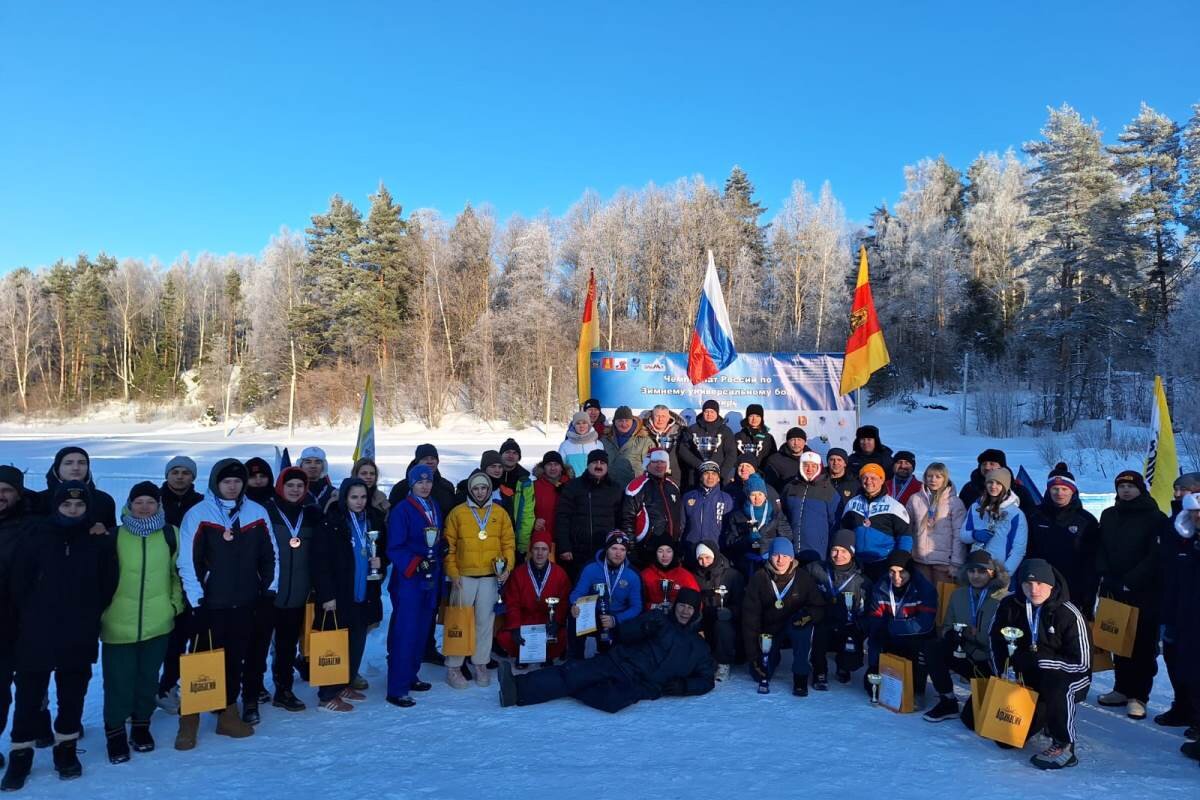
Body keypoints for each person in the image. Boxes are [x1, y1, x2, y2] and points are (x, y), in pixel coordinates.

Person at [2, 481, 117, 789]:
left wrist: (88, 613)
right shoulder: (35, 538)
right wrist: (32, 615)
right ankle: (20, 756)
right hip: (35, 632)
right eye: (67, 505)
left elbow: (107, 585)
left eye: (79, 506)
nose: (73, 510)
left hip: (78, 632)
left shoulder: (97, 543)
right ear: (56, 506)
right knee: (29, 697)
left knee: (72, 695)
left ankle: (65, 750)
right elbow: (18, 584)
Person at [174, 459, 274, 749]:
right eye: (226, 481)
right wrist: (197, 601)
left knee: (233, 660)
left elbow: (271, 555)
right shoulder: (199, 514)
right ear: (216, 483)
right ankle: (188, 720)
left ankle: (227, 714)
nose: (232, 486)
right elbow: (187, 562)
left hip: (245, 602)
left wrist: (268, 590)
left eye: (237, 481)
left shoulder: (257, 512)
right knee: (200, 662)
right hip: (210, 604)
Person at [498, 587, 714, 712]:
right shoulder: (658, 619)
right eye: (682, 606)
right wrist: (642, 626)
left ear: (696, 612)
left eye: (690, 608)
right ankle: (516, 689)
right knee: (572, 675)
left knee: (611, 702)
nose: (685, 611)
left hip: (643, 685)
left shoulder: (699, 647)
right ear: (675, 605)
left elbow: (707, 680)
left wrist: (685, 685)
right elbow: (622, 633)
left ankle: (576, 681)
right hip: (619, 662)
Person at [100, 482, 184, 764]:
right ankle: (114, 733)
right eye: (139, 502)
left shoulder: (171, 535)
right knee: (118, 682)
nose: (145, 507)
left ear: (159, 505)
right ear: (130, 504)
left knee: (148, 679)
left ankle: (141, 727)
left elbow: (176, 574)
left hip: (158, 622)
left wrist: (174, 606)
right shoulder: (114, 536)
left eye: (151, 502)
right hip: (117, 622)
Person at [989, 559, 1091, 770]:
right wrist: (1004, 671)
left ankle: (1064, 745)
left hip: (1067, 678)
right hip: (1028, 676)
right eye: (1028, 584)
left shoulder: (1069, 614)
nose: (1034, 590)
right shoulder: (1010, 605)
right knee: (1004, 740)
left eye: (1040, 584)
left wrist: (1040, 661)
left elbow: (1082, 665)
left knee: (1057, 686)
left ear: (1052, 585)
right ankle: (1043, 717)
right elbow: (995, 640)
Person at [1094, 470, 1166, 721]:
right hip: (1113, 587)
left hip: (1143, 591)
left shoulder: (1155, 517)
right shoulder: (1109, 514)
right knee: (1118, 638)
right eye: (1121, 486)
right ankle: (1121, 688)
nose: (1126, 490)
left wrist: (1131, 581)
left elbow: (1155, 556)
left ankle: (1139, 696)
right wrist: (1105, 574)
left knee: (1142, 645)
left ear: (1140, 489)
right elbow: (1100, 546)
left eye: (1131, 486)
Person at [311, 478, 385, 712]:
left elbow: (383, 550)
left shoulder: (373, 519)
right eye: (354, 497)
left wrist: (381, 563)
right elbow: (320, 563)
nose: (359, 502)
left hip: (364, 593)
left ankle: (344, 682)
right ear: (344, 498)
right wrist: (327, 595)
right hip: (339, 595)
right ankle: (327, 695)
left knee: (356, 643)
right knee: (335, 645)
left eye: (363, 497)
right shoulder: (331, 522)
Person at [865, 550, 959, 723]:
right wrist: (873, 664)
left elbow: (923, 624)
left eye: (902, 572)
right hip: (891, 638)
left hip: (916, 639)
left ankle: (917, 690)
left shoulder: (924, 589)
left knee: (924, 646)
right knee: (870, 684)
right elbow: (875, 627)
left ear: (911, 571)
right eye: (892, 571)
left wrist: (892, 627)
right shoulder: (881, 587)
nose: (897, 577)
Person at [443, 471, 515, 689]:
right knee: (459, 622)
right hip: (463, 577)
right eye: (476, 488)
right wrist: (453, 572)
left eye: (484, 488)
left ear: (489, 489)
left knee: (485, 622)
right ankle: (454, 666)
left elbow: (508, 543)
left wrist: (507, 567)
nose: (480, 492)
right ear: (470, 490)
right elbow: (449, 547)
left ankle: (480, 663)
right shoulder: (458, 513)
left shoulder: (500, 513)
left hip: (489, 577)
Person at [258, 467, 319, 713]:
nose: (295, 490)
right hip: (269, 591)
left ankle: (283, 689)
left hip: (298, 592)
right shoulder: (267, 511)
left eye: (300, 486)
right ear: (280, 486)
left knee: (286, 644)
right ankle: (253, 689)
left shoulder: (311, 513)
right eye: (290, 485)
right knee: (258, 644)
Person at [384, 464, 445, 708]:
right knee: (406, 632)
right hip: (410, 580)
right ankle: (396, 688)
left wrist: (442, 548)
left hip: (430, 577)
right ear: (411, 484)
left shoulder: (434, 506)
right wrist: (415, 564)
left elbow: (434, 539)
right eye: (419, 482)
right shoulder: (402, 510)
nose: (425, 485)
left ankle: (411, 675)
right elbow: (394, 547)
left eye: (428, 481)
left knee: (422, 630)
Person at [742, 537, 825, 696]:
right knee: (758, 675)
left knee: (804, 632)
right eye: (776, 555)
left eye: (785, 556)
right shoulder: (759, 578)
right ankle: (771, 657)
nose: (780, 560)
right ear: (770, 556)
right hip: (770, 630)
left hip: (795, 625)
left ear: (792, 558)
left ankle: (800, 676)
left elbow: (819, 606)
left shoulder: (803, 577)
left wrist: (808, 616)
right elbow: (749, 619)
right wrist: (753, 656)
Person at [0, 466, 40, 754]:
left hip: (27, 621)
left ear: (18, 492)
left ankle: (22, 747)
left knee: (29, 689)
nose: (0, 496)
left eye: (6, 490)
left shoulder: (34, 526)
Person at [1026, 463, 1099, 620]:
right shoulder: (1035, 516)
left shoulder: (1086, 520)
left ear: (1072, 491)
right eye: (1055, 489)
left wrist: (1088, 596)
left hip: (1074, 586)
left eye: (1064, 489)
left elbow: (1092, 560)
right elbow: (1028, 550)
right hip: (1040, 585)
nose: (1059, 493)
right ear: (1048, 490)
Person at [496, 530, 572, 666]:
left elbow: (563, 602)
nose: (540, 553)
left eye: (544, 549)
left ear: (549, 551)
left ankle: (546, 655)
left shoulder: (560, 574)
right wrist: (515, 627)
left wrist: (557, 622)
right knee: (505, 637)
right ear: (531, 550)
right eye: (536, 548)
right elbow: (512, 603)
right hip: (525, 620)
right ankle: (524, 655)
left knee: (562, 635)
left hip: (547, 620)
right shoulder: (519, 573)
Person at [1160, 477, 1200, 733]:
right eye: (1175, 488)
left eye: (1184, 489)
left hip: (1192, 607)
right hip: (1175, 601)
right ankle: (1184, 706)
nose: (1176, 493)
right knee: (1176, 657)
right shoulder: (1172, 524)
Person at [805, 529, 869, 687]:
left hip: (847, 622)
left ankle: (844, 666)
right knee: (818, 631)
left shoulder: (861, 580)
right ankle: (820, 671)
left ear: (852, 552)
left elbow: (865, 610)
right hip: (823, 618)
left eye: (843, 551)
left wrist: (860, 626)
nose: (838, 555)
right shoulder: (816, 569)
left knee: (851, 634)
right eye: (835, 550)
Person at [553, 450, 623, 586]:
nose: (598, 465)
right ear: (588, 465)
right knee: (578, 589)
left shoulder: (615, 489)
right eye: (594, 462)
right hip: (577, 552)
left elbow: (620, 520)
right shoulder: (573, 486)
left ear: (607, 467)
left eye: (602, 463)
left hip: (605, 552)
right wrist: (564, 547)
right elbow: (562, 517)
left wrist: (619, 546)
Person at [568, 531, 642, 657]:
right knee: (575, 618)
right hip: (594, 615)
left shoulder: (632, 574)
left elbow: (637, 606)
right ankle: (576, 661)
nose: (618, 553)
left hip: (618, 617)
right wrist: (574, 604)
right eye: (614, 548)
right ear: (606, 548)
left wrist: (616, 620)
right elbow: (578, 592)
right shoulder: (591, 568)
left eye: (622, 549)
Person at [939, 551, 1006, 686]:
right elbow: (947, 626)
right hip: (966, 652)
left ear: (992, 573)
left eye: (982, 571)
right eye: (971, 571)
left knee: (974, 706)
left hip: (991, 660)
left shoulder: (1003, 599)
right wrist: (951, 634)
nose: (975, 576)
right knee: (934, 648)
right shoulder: (958, 595)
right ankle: (947, 699)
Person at [1168, 491, 1200, 760]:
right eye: (1194, 513)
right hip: (1188, 617)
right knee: (1192, 675)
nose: (1198, 517)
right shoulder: (1188, 542)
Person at [841, 464, 912, 580]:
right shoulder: (852, 503)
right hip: (856, 562)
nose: (868, 481)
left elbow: (905, 537)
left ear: (882, 480)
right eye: (865, 478)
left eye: (873, 478)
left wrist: (900, 561)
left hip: (883, 562)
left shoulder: (894, 506)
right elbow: (844, 531)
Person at [960, 466, 1028, 578]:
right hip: (975, 569)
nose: (993, 486)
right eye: (990, 482)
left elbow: (1018, 550)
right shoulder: (975, 507)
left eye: (998, 483)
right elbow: (963, 536)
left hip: (998, 571)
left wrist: (1004, 575)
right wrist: (975, 534)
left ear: (1005, 486)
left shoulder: (1016, 514)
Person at [907, 462, 968, 585]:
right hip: (920, 561)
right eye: (929, 476)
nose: (933, 480)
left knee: (943, 600)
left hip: (944, 564)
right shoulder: (915, 499)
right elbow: (907, 529)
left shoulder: (954, 502)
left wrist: (956, 563)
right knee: (923, 600)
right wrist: (907, 555)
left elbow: (959, 535)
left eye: (938, 477)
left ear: (945, 479)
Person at [691, 540, 744, 682]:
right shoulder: (694, 576)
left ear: (715, 555)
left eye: (707, 557)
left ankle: (723, 663)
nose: (704, 562)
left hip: (726, 622)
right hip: (703, 618)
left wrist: (730, 612)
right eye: (700, 558)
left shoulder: (732, 575)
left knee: (722, 625)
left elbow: (742, 604)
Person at [621, 448, 682, 563]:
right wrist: (631, 550)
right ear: (647, 463)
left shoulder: (673, 487)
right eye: (655, 462)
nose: (659, 465)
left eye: (662, 461)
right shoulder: (636, 487)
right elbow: (627, 521)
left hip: (670, 551)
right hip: (646, 550)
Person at [36, 446, 116, 531]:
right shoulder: (38, 500)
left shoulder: (104, 500)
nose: (76, 468)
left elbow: (112, 537)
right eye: (68, 463)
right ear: (57, 467)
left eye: (82, 463)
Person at [780, 451, 840, 558]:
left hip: (817, 551)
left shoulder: (829, 491)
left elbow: (835, 523)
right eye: (806, 465)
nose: (809, 469)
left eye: (813, 466)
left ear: (819, 467)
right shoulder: (790, 487)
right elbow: (781, 515)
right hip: (790, 551)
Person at [723, 473, 785, 573]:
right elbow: (730, 542)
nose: (757, 498)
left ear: (765, 495)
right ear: (748, 495)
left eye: (760, 494)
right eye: (753, 495)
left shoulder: (775, 514)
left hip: (770, 563)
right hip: (744, 563)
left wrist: (766, 544)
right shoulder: (737, 516)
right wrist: (747, 539)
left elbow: (785, 538)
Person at [678, 400, 738, 489]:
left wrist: (721, 474)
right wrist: (699, 465)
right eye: (706, 411)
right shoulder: (692, 429)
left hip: (717, 477)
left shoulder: (725, 431)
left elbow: (731, 454)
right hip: (695, 475)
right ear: (703, 412)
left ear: (717, 413)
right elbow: (683, 450)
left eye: (712, 412)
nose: (709, 414)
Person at [959, 448, 1037, 517]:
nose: (987, 467)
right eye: (984, 464)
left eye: (992, 463)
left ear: (1002, 466)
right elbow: (960, 516)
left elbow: (1031, 518)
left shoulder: (1019, 490)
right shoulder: (969, 489)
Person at [388, 444, 458, 519]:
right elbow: (393, 518)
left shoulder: (446, 486)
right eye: (425, 458)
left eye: (433, 458)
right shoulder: (401, 488)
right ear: (417, 462)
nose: (430, 462)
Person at [640, 536, 700, 611]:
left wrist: (678, 609)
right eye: (660, 551)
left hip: (678, 618)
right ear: (655, 553)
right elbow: (636, 602)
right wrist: (653, 606)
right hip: (651, 618)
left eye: (669, 551)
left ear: (673, 553)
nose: (664, 555)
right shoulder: (645, 575)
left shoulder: (685, 576)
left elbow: (697, 602)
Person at [497, 440, 536, 558]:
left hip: (513, 535)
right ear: (501, 455)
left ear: (519, 457)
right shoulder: (492, 475)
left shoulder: (525, 482)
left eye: (515, 453)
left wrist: (522, 545)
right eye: (507, 452)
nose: (511, 456)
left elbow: (527, 514)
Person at [681, 461, 733, 548]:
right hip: (692, 547)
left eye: (714, 474)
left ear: (718, 478)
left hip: (716, 549)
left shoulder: (726, 498)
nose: (710, 477)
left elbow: (729, 528)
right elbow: (682, 525)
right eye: (706, 473)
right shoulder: (688, 497)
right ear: (701, 477)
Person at [601, 406, 652, 487]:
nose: (624, 424)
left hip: (633, 489)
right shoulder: (605, 439)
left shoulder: (644, 441)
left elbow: (651, 467)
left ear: (632, 420)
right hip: (609, 488)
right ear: (614, 422)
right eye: (620, 420)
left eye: (627, 420)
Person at [639, 404, 687, 482]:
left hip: (674, 477)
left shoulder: (680, 433)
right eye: (657, 416)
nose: (660, 419)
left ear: (669, 418)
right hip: (647, 478)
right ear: (652, 417)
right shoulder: (642, 431)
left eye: (663, 416)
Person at [531, 452, 567, 553]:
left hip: (565, 540)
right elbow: (527, 511)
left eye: (556, 464)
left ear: (561, 467)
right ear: (543, 467)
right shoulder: (534, 486)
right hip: (542, 539)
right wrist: (533, 522)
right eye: (549, 464)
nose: (553, 468)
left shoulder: (570, 486)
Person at [762, 427, 810, 491]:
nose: (796, 443)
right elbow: (768, 486)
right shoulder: (775, 460)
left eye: (799, 439)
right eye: (792, 439)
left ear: (805, 441)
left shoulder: (813, 459)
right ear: (787, 441)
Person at [160, 455, 203, 528]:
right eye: (175, 473)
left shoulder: (202, 502)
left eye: (185, 473)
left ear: (193, 477)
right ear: (167, 476)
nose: (180, 477)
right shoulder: (154, 499)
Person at [559, 412, 604, 478]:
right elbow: (560, 467)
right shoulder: (565, 445)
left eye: (584, 423)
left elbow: (603, 467)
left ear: (589, 425)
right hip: (573, 485)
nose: (581, 426)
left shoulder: (598, 444)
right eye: (578, 423)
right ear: (574, 426)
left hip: (593, 485)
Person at [733, 403, 777, 471]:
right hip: (742, 474)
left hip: (761, 476)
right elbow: (732, 457)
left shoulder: (768, 438)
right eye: (751, 416)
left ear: (761, 418)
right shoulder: (738, 436)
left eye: (757, 416)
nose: (754, 419)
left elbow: (773, 459)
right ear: (747, 417)